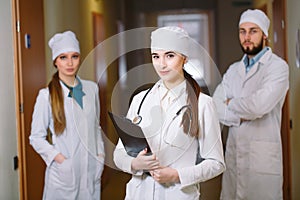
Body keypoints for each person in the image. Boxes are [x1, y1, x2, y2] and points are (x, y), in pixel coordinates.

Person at [113, 26, 225, 200]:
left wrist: (177, 175)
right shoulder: (140, 100)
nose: (162, 64)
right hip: (138, 194)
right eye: (156, 57)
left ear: (185, 59)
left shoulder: (203, 104)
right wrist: (134, 163)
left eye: (170, 56)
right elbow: (119, 153)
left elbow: (216, 164)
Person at [213, 9, 289, 200]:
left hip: (261, 162)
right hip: (234, 157)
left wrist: (230, 103)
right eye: (242, 31)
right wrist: (242, 112)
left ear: (264, 35)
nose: (247, 37)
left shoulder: (278, 68)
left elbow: (258, 106)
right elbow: (215, 106)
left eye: (253, 31)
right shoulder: (233, 70)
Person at [29, 30, 105, 200]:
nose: (70, 63)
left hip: (90, 171)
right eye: (63, 57)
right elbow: (36, 137)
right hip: (63, 176)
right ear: (55, 61)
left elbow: (96, 127)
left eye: (74, 56)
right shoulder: (46, 96)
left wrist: (100, 156)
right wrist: (59, 159)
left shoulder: (92, 89)